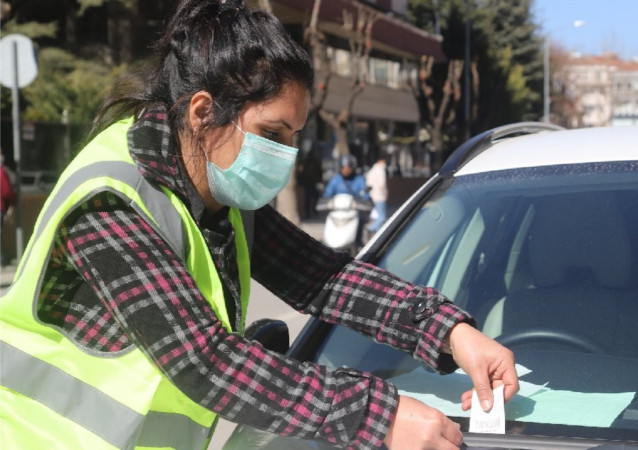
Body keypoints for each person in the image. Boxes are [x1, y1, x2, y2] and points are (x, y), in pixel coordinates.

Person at [0, 2, 518, 449]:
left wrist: (449, 331)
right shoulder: (112, 203)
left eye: (293, 135)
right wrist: (377, 415)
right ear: (203, 112)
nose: (286, 155)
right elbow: (205, 361)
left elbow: (324, 278)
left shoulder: (217, 190)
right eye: (272, 133)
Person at [365, 152, 388, 234]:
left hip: (372, 196)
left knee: (378, 216)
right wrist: (385, 194)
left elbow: (368, 184)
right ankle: (370, 228)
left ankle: (378, 234)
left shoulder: (371, 171)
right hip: (380, 196)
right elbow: (382, 184)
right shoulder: (380, 171)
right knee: (382, 217)